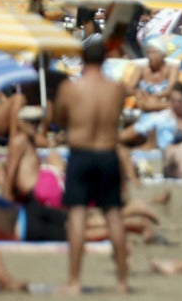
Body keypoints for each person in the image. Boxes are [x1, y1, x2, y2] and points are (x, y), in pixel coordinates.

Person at [54, 39, 129, 294]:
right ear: (105, 60)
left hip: (81, 154)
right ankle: (122, 282)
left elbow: (60, 119)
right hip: (107, 153)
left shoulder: (71, 88)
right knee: (114, 216)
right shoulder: (116, 89)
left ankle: (74, 281)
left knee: (77, 216)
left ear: (83, 60)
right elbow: (116, 117)